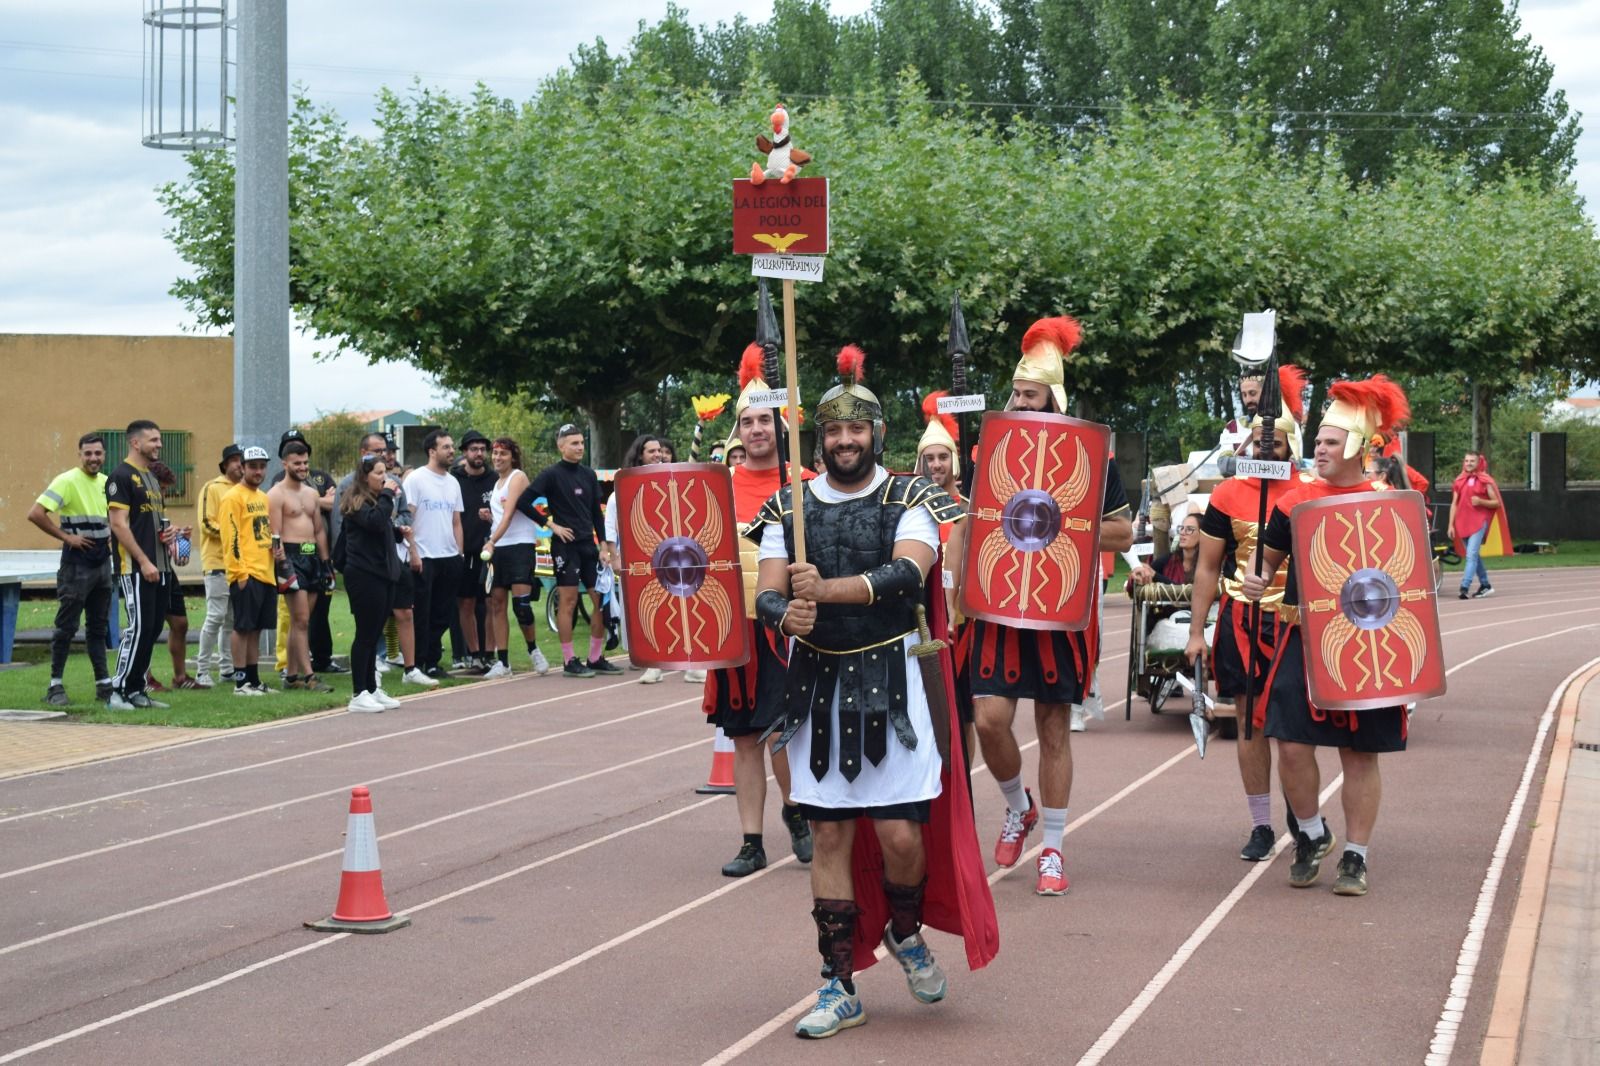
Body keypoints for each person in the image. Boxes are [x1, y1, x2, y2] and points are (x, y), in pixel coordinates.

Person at [748, 345, 992, 1038]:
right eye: (832, 430)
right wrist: (782, 612)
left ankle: (907, 932)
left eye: (855, 430)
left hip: (892, 682)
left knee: (900, 836)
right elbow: (766, 588)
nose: (844, 441)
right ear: (818, 437)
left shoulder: (909, 496)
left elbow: (908, 572)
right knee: (827, 830)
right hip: (817, 683)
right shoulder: (788, 505)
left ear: (875, 434)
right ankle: (837, 983)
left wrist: (826, 590)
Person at [968, 317, 1133, 895]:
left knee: (1054, 727)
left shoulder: (1093, 457)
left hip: (1060, 606)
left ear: (1055, 400)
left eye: (1029, 394)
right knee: (988, 720)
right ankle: (1019, 806)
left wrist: (1067, 521)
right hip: (998, 601)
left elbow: (1121, 533)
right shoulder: (991, 448)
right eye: (1014, 393)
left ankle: (1053, 850)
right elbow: (975, 521)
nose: (1018, 402)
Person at [1242, 374, 1414, 897]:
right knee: (1291, 746)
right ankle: (1313, 835)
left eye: (1331, 441)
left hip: (1369, 643)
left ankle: (1356, 857)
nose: (1319, 447)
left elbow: (1409, 582)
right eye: (1317, 440)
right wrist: (1256, 579)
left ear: (1358, 447)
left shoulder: (1389, 504)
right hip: (1305, 637)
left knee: (1359, 754)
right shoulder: (1293, 501)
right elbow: (1265, 566)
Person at [1185, 365, 1309, 861]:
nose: (1265, 451)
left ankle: (1304, 821)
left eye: (1275, 444)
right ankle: (1261, 824)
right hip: (1241, 618)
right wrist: (1197, 632)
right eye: (1259, 443)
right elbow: (1207, 569)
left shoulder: (1309, 492)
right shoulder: (1227, 494)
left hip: (1295, 620)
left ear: (1289, 448)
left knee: (1295, 728)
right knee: (1247, 724)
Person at [702, 346, 813, 877]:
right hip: (735, 629)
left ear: (780, 424)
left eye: (764, 420)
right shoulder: (716, 488)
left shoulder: (806, 482)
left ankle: (797, 810)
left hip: (792, 627)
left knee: (784, 731)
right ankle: (752, 841)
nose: (755, 430)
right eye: (746, 422)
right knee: (744, 736)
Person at [522, 424, 619, 679]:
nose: (579, 448)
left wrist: (604, 546)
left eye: (581, 443)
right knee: (568, 601)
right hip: (565, 546)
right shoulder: (551, 474)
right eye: (574, 443)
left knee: (601, 601)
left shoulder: (588, 474)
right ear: (561, 445)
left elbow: (597, 513)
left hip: (589, 546)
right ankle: (569, 661)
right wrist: (551, 525)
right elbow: (524, 501)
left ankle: (596, 657)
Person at [28, 432, 114, 706]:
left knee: (99, 629)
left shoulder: (107, 483)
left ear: (104, 455)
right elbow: (36, 513)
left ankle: (104, 686)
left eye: (97, 454)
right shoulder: (66, 481)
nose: (93, 458)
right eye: (88, 454)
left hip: (102, 564)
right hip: (76, 566)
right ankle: (55, 687)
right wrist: (67, 538)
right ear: (80, 455)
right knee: (66, 627)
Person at [916, 391, 975, 770]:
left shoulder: (971, 510)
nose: (936, 465)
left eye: (942, 457)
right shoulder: (910, 509)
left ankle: (963, 782)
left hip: (962, 626)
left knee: (964, 713)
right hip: (921, 624)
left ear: (953, 461)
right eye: (930, 458)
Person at [105, 420, 174, 711]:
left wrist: (170, 536)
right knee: (138, 627)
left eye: (159, 440)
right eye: (154, 440)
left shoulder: (151, 477)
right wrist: (143, 560)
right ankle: (118, 691)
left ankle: (137, 689)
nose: (159, 445)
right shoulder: (120, 476)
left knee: (153, 627)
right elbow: (119, 525)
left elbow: (149, 523)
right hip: (136, 568)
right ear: (136, 443)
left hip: (161, 567)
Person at [269, 430, 342, 678]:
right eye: (297, 463)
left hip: (312, 555)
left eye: (305, 463)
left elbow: (319, 530)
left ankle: (291, 674)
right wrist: (281, 564)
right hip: (290, 557)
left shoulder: (311, 494)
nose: (302, 467)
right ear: (285, 464)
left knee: (304, 620)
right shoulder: (276, 493)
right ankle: (309, 675)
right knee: (299, 619)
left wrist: (325, 562)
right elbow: (275, 533)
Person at [481, 437, 552, 678]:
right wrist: (489, 520)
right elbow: (501, 515)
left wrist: (491, 540)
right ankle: (503, 662)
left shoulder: (518, 477)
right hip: (498, 548)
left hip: (519, 545)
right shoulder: (497, 482)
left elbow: (510, 514)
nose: (497, 458)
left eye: (503, 454)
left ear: (513, 456)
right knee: (497, 603)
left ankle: (533, 650)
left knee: (521, 606)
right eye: (495, 453)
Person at [338, 453, 403, 712]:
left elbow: (380, 530)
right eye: (378, 473)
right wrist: (388, 495)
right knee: (365, 634)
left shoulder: (376, 502)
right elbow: (375, 523)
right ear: (365, 477)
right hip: (363, 574)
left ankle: (372, 688)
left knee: (375, 632)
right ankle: (358, 692)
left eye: (384, 472)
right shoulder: (356, 502)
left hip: (382, 573)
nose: (384, 478)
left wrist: (399, 533)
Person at [602, 434, 668, 684]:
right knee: (645, 611)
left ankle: (686, 663)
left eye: (659, 450)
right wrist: (615, 557)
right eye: (651, 451)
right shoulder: (622, 488)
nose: (657, 455)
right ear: (640, 454)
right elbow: (610, 525)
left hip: (667, 558)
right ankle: (652, 663)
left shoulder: (667, 480)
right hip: (637, 559)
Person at [404, 430, 466, 679]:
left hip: (449, 557)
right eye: (446, 447)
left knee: (442, 613)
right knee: (422, 613)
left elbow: (456, 521)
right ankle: (418, 663)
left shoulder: (453, 482)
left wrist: (459, 554)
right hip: (424, 557)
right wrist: (413, 552)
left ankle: (432, 661)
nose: (452, 451)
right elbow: (406, 518)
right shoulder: (416, 479)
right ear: (432, 451)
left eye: (452, 446)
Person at [220, 447, 278, 696]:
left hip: (266, 572)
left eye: (262, 466)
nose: (258, 471)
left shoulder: (262, 497)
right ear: (242, 467)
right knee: (242, 627)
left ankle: (254, 680)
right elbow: (230, 537)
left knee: (256, 628)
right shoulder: (233, 497)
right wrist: (239, 573)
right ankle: (240, 681)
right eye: (253, 466)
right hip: (246, 574)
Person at [147, 462, 199, 690]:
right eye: (163, 489)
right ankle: (143, 676)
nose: (165, 494)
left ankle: (180, 677)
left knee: (180, 623)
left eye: (167, 490)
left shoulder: (158, 509)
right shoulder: (136, 507)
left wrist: (180, 538)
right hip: (147, 570)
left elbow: (180, 558)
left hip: (167, 570)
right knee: (149, 626)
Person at [195, 444, 242, 688]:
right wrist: (237, 537)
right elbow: (206, 524)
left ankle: (227, 668)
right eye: (234, 460)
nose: (239, 465)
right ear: (224, 465)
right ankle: (202, 670)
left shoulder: (246, 491)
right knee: (215, 616)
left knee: (231, 620)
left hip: (240, 566)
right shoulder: (212, 488)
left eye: (242, 460)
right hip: (216, 563)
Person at [453, 429, 497, 671]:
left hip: (491, 552)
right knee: (466, 603)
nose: (479, 453)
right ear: (464, 452)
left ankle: (490, 653)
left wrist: (491, 518)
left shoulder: (495, 480)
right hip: (465, 552)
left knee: (491, 602)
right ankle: (474, 653)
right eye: (474, 449)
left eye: (482, 449)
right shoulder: (454, 480)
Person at [1448, 452, 1501, 600]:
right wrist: (1450, 525)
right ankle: (1485, 584)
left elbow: (1496, 502)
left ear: (1479, 463)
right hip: (1462, 522)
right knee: (1474, 555)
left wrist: (1481, 501)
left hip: (1479, 521)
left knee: (1471, 554)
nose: (1469, 463)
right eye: (1466, 461)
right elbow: (1454, 504)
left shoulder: (1485, 480)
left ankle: (1464, 587)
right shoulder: (1459, 480)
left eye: (1472, 461)